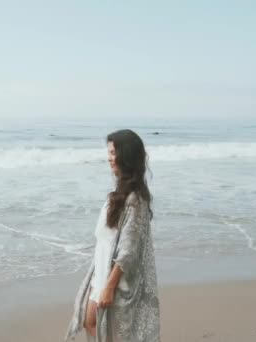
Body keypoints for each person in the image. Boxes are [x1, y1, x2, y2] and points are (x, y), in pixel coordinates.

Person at [64, 129, 160, 342]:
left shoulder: (136, 200)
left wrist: (109, 287)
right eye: (108, 152)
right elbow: (104, 242)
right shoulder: (119, 194)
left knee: (110, 333)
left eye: (113, 153)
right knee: (90, 322)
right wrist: (96, 280)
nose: (109, 158)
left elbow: (129, 252)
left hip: (115, 281)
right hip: (101, 275)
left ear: (126, 156)